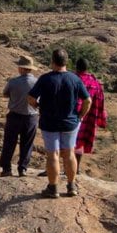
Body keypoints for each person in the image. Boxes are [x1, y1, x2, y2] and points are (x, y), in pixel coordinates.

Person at [29, 49, 89, 198]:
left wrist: (37, 107)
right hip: (70, 122)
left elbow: (30, 97)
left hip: (49, 123)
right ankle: (71, 186)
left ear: (52, 61)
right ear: (66, 61)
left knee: (53, 155)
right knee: (69, 153)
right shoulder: (75, 79)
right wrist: (80, 115)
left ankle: (53, 188)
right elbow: (88, 100)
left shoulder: (45, 79)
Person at [0, 55, 40, 176]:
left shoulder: (13, 82)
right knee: (27, 144)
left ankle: (6, 169)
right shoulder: (38, 82)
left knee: (9, 143)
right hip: (31, 117)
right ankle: (22, 168)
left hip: (14, 116)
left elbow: (5, 94)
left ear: (21, 68)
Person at [74, 56, 108, 176]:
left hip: (71, 115)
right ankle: (76, 169)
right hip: (88, 117)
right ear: (88, 68)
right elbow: (100, 101)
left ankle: (57, 168)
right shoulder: (95, 83)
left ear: (76, 67)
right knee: (80, 143)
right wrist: (100, 117)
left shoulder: (72, 78)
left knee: (63, 142)